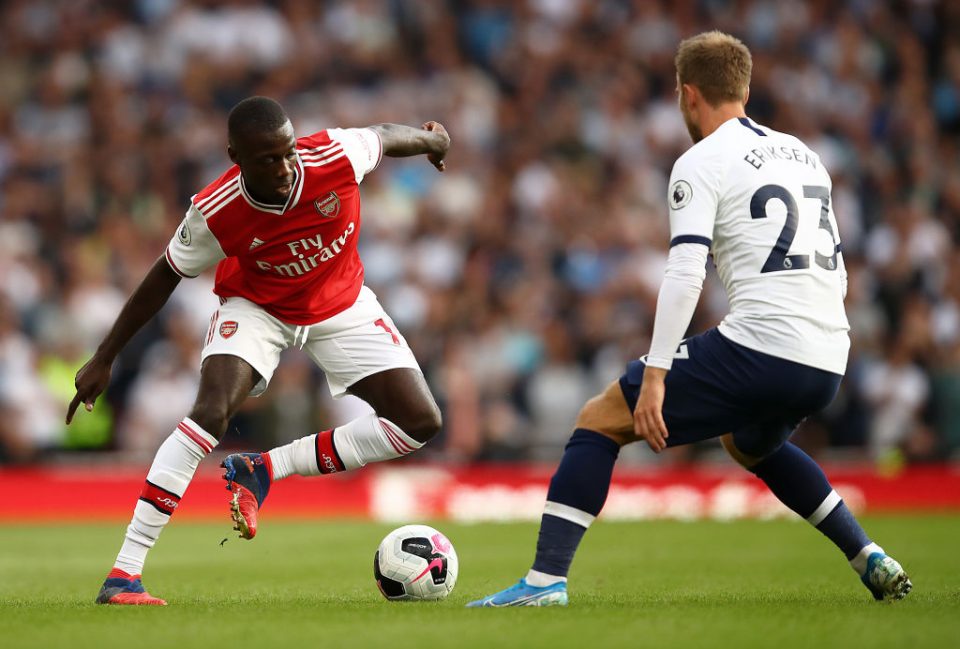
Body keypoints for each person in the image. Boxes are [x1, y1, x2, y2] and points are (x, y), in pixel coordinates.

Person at [468, 31, 912, 608]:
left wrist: (655, 373)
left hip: (765, 343)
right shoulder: (807, 155)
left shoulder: (700, 160)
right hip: (828, 353)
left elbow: (685, 272)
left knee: (601, 417)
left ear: (688, 94)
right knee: (749, 443)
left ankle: (544, 581)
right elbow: (838, 267)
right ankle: (868, 556)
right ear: (746, 88)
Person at [66, 96, 450, 606]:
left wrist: (432, 140)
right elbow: (164, 276)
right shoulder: (217, 211)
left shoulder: (332, 156)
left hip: (340, 302)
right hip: (256, 308)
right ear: (236, 157)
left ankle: (266, 468)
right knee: (210, 413)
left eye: (288, 152)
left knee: (419, 423)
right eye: (269, 159)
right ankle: (124, 574)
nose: (286, 167)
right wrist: (105, 355)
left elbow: (382, 133)